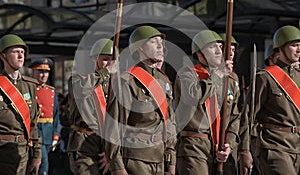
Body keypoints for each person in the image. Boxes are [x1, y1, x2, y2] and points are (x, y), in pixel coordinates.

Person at [104, 25, 177, 175]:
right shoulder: (127, 81)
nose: (159, 45)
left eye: (160, 42)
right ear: (140, 48)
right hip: (135, 158)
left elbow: (170, 122)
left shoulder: (163, 80)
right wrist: (117, 166)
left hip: (160, 157)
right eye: (153, 41)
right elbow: (114, 127)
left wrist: (172, 159)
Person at [174, 30, 240, 175]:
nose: (218, 51)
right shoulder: (187, 75)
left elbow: (235, 116)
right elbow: (194, 97)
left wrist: (229, 143)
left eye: (220, 47)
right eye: (212, 47)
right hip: (194, 145)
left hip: (220, 148)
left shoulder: (230, 79)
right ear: (199, 53)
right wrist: (216, 76)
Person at [238, 25, 300, 175]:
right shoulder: (265, 77)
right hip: (274, 146)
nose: (299, 50)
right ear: (280, 48)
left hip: (297, 146)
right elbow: (248, 115)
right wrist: (244, 150)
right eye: (294, 45)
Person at [67, 38, 116, 175]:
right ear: (95, 58)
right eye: (106, 59)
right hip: (85, 143)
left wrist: (111, 151)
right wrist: (106, 72)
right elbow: (82, 90)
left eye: (112, 60)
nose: (109, 64)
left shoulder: (118, 85)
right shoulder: (78, 79)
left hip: (108, 144)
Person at [0, 34, 41, 175]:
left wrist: (37, 155)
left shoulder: (30, 86)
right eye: (15, 51)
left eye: (22, 52)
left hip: (23, 151)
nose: (20, 56)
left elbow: (34, 123)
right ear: (3, 56)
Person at [28, 58, 60, 175]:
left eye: (46, 72)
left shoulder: (52, 91)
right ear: (33, 72)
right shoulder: (29, 90)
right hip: (36, 131)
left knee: (39, 163)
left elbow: (56, 115)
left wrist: (56, 135)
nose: (43, 75)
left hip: (48, 131)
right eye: (40, 71)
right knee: (42, 164)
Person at [219, 33, 241, 175]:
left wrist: (230, 143)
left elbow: (235, 115)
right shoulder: (200, 76)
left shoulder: (233, 78)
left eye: (233, 50)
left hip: (226, 146)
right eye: (227, 49)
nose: (231, 54)